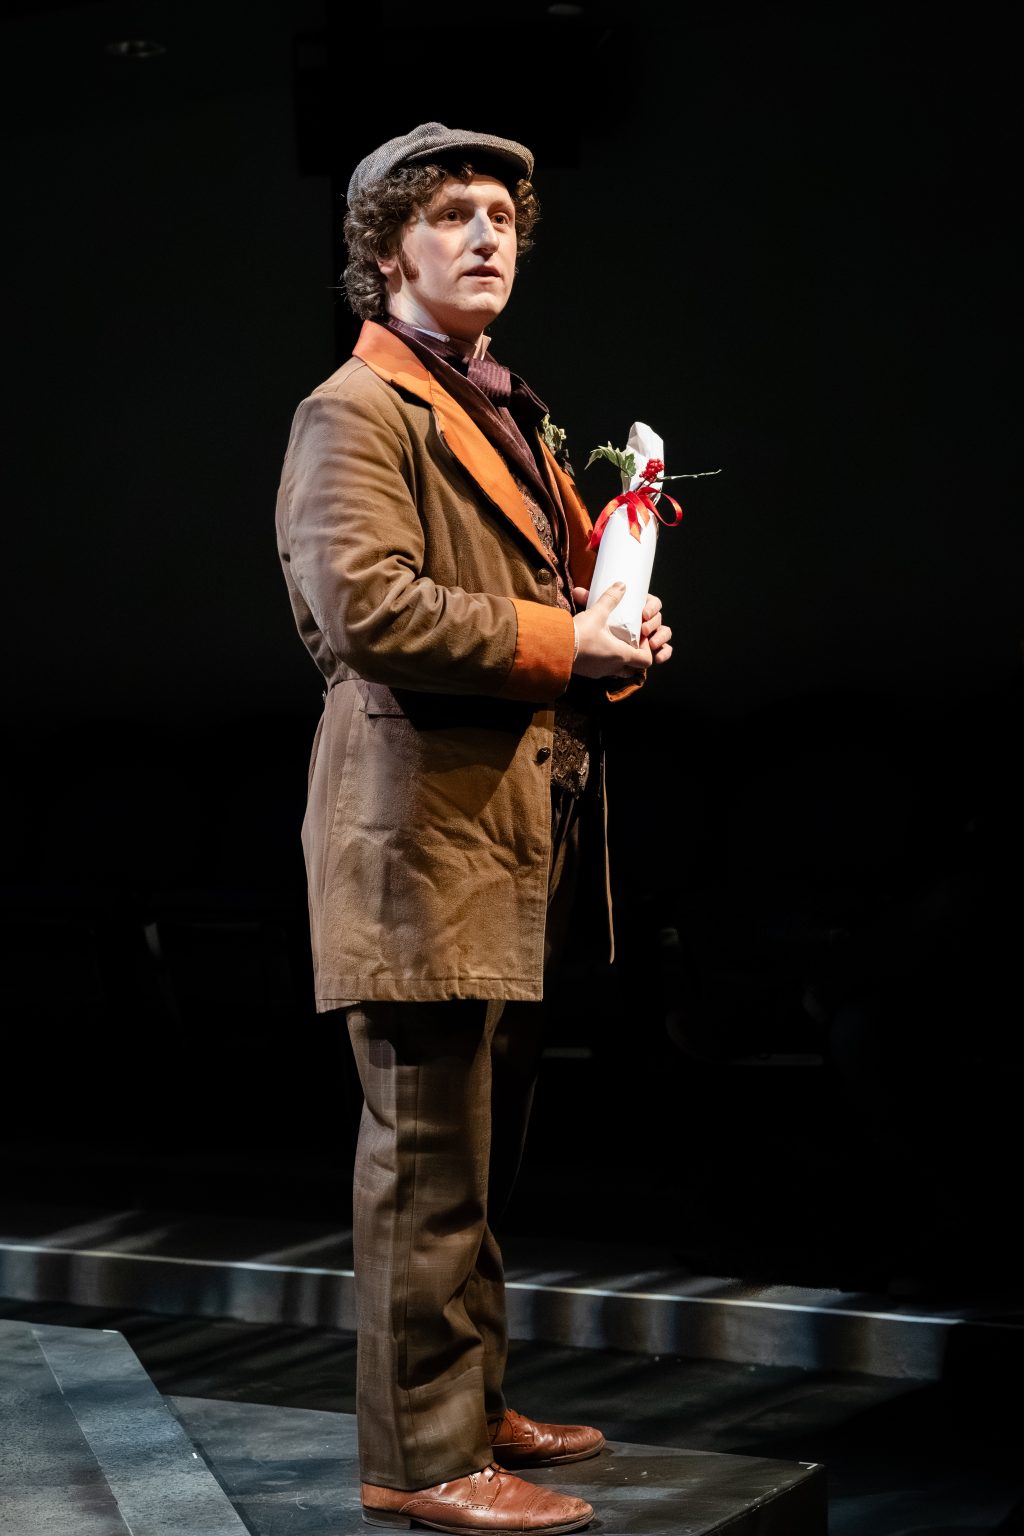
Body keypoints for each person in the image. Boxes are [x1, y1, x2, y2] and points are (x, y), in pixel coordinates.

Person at [274, 121, 673, 1534]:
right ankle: (422, 1457)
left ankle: (471, 1401)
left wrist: (612, 633)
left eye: (502, 214)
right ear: (387, 250)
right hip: (418, 827)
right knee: (427, 1165)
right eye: (451, 212)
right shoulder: (355, 408)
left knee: (481, 1159)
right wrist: (566, 643)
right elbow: (364, 608)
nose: (487, 234)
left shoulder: (494, 402)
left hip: (500, 828)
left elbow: (543, 603)